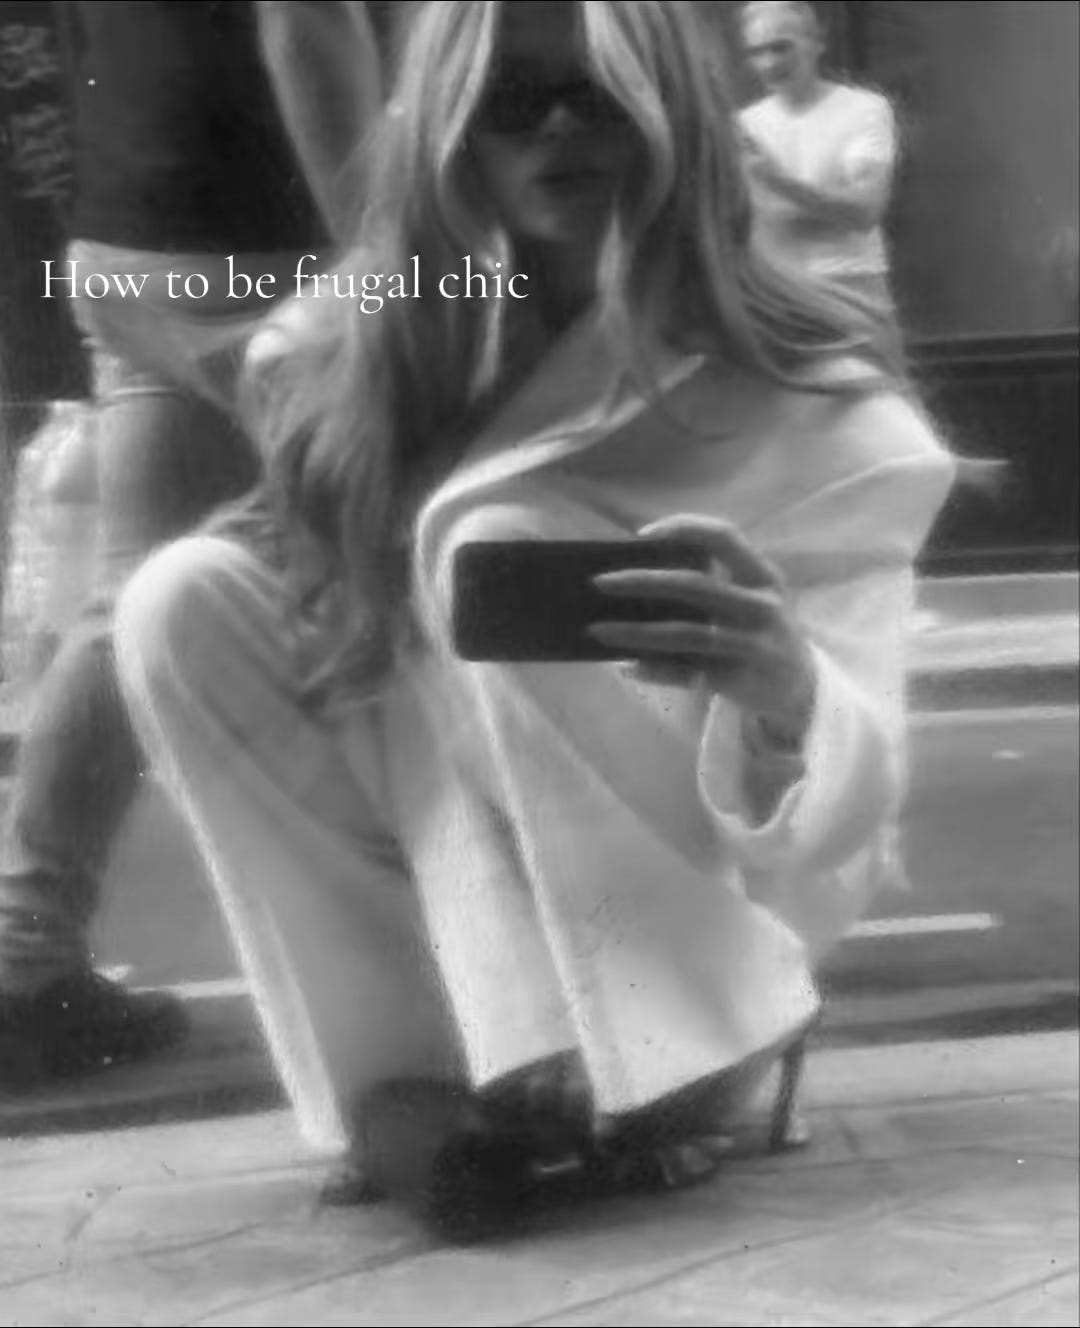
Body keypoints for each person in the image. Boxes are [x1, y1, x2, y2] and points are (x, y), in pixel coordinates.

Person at [114, 0, 954, 1235]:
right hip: (452, 820)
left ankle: (666, 1051)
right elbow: (316, 627)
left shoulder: (807, 388)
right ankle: (414, 1069)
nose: (560, 127)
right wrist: (336, 488)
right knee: (181, 598)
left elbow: (856, 777)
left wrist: (787, 688)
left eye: (597, 91)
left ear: (672, 111)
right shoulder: (366, 345)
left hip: (709, 879)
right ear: (451, 132)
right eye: (512, 101)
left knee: (498, 540)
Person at [0, 0, 381, 1085]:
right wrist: (385, 260)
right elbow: (309, 23)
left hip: (128, 240)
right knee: (410, 563)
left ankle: (21, 956)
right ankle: (467, 964)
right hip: (271, 240)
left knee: (129, 595)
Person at [737, 0, 899, 306]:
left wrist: (777, 181)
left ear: (816, 43)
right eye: (757, 52)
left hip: (852, 286)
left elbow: (865, 211)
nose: (769, 63)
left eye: (781, 47)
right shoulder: (743, 125)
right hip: (776, 292)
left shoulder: (863, 110)